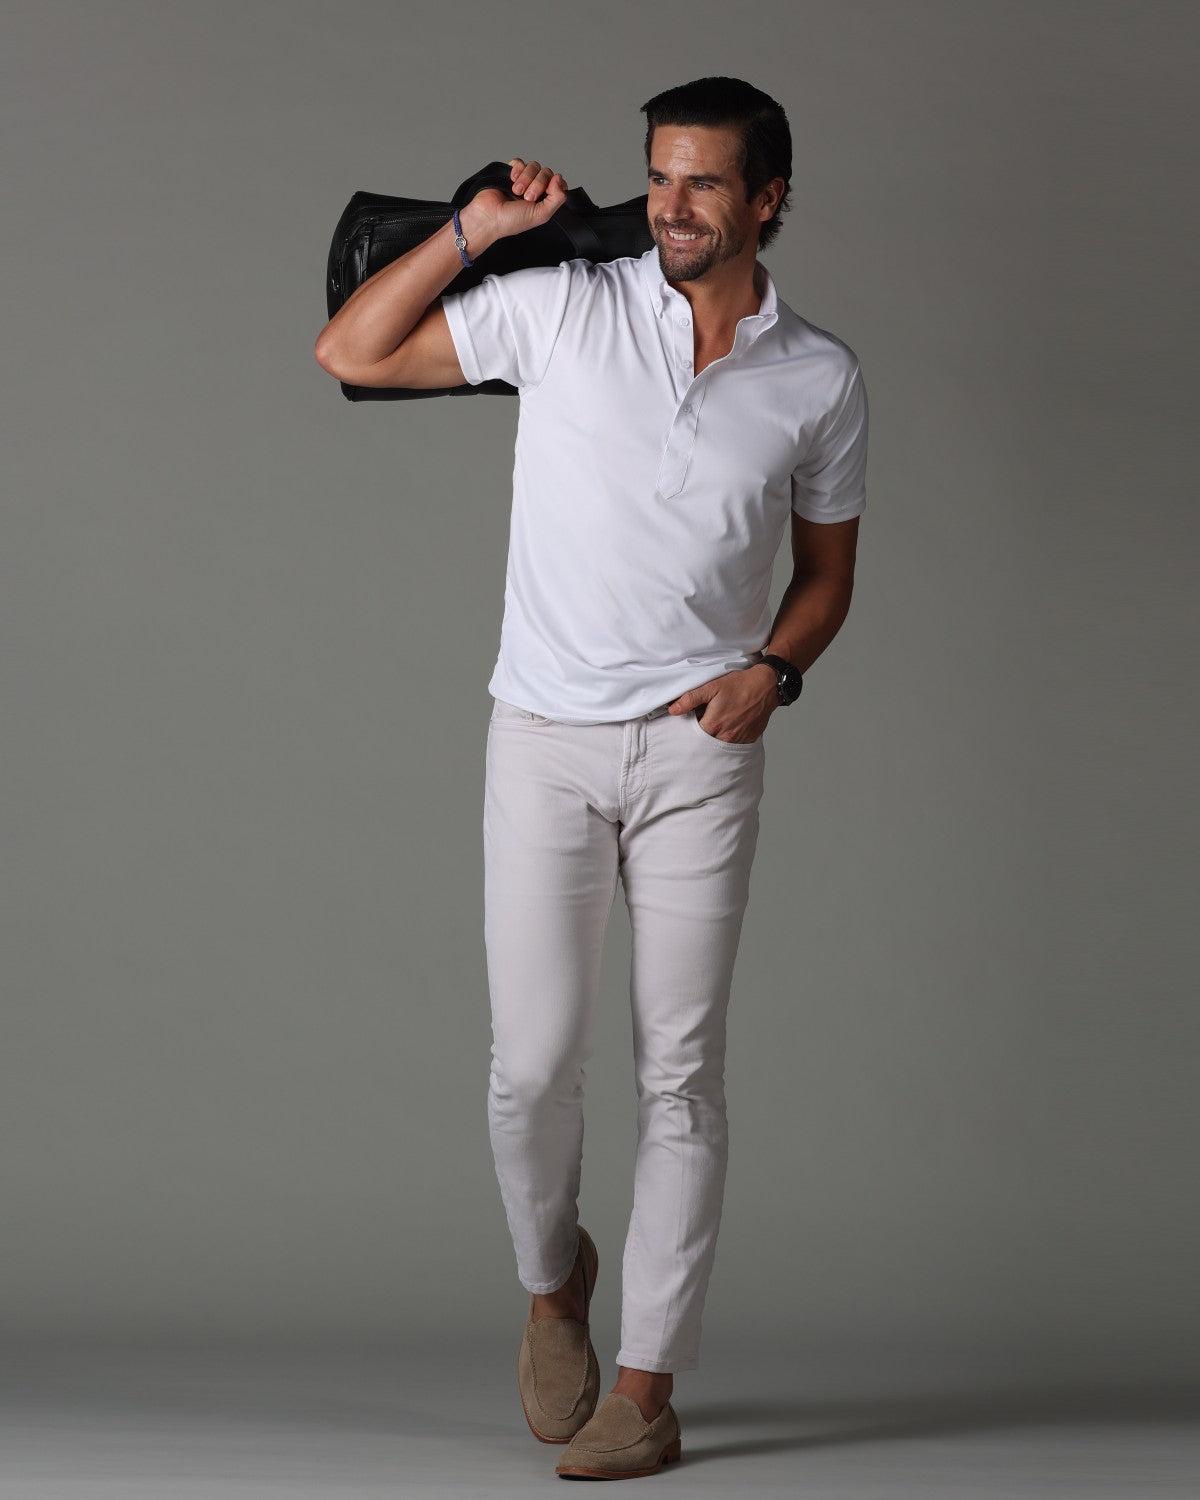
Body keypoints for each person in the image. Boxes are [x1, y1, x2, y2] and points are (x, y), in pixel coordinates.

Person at [315, 75, 869, 1481]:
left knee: (681, 1076)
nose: (670, 205)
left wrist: (775, 673)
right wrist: (475, 228)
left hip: (701, 750)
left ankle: (646, 1387)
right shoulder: (565, 305)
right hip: (545, 739)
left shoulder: (819, 376)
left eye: (702, 182)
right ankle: (555, 1283)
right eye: (658, 176)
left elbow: (825, 576)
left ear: (767, 200)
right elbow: (351, 351)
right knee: (529, 1069)